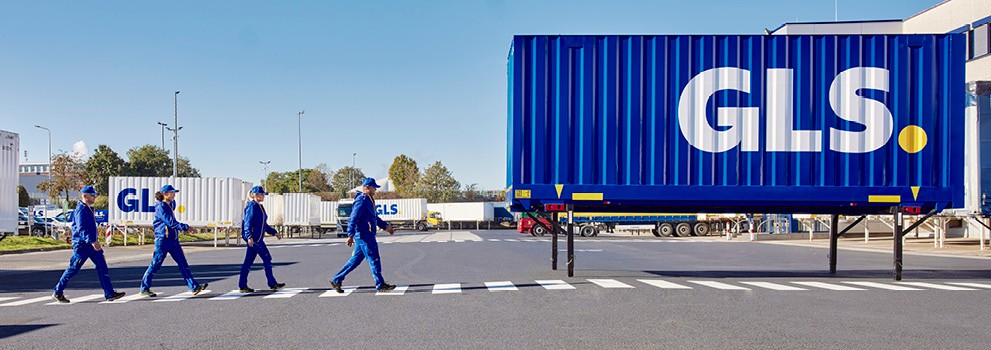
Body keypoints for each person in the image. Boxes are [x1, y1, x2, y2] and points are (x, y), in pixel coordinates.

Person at [52, 186, 126, 303]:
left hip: (90, 244)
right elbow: (81, 228)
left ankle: (109, 293)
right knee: (74, 268)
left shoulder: (88, 208)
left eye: (94, 195)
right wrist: (92, 241)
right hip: (82, 245)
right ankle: (58, 291)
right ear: (85, 196)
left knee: (102, 267)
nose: (94, 197)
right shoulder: (81, 210)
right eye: (92, 195)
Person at [329, 178, 397, 293]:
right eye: (373, 187)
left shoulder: (369, 200)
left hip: (365, 234)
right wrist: (350, 235)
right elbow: (353, 218)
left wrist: (385, 227)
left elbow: (374, 217)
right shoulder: (362, 200)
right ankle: (380, 284)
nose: (375, 189)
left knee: (355, 261)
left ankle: (336, 279)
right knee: (373, 258)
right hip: (364, 235)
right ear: (367, 187)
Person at [139, 184, 208, 297]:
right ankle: (144, 288)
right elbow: (170, 222)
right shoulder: (161, 206)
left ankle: (194, 287)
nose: (174, 194)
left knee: (183, 263)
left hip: (173, 240)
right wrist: (186, 227)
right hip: (163, 239)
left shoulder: (169, 205)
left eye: (174, 192)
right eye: (172, 192)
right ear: (165, 194)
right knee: (156, 263)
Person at [237, 185, 285, 293]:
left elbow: (264, 224)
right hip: (255, 239)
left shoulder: (259, 207)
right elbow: (247, 223)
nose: (263, 196)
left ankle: (242, 285)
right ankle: (272, 283)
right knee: (267, 258)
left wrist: (274, 232)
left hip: (257, 238)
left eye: (263, 194)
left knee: (248, 262)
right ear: (255, 195)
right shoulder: (251, 206)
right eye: (261, 194)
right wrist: (249, 236)